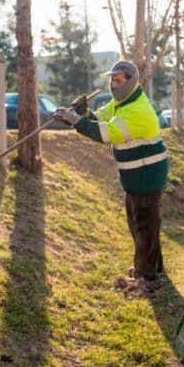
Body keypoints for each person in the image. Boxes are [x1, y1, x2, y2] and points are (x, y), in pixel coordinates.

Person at [55, 60, 168, 281]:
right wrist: (84, 113)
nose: (114, 85)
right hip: (136, 177)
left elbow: (106, 134)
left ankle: (145, 276)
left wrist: (75, 120)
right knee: (140, 225)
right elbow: (100, 119)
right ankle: (154, 268)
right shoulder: (122, 103)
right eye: (112, 81)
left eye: (118, 80)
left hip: (147, 176)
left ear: (131, 81)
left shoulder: (137, 109)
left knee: (145, 226)